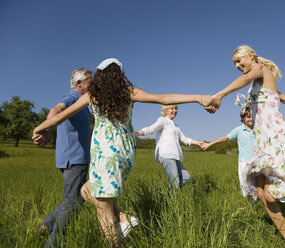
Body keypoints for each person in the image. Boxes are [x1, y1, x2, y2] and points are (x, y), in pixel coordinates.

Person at [33, 58, 213, 247]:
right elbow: (164, 98)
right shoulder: (129, 93)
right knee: (86, 190)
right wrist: (198, 97)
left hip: (105, 155)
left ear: (99, 76)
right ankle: (125, 219)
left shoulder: (92, 96)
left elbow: (60, 116)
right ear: (120, 75)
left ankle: (118, 233)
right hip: (125, 153)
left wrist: (39, 129)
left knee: (104, 214)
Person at [205, 45, 285, 241]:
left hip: (274, 138)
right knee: (262, 195)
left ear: (251, 56)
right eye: (234, 63)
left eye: (239, 60)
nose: (237, 65)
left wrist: (219, 95)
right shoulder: (260, 83)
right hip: (261, 142)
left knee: (271, 196)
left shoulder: (260, 69)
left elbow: (244, 79)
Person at [32, 68, 92, 247]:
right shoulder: (73, 98)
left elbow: (92, 118)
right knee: (73, 202)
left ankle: (44, 227)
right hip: (75, 158)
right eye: (90, 80)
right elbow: (56, 109)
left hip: (72, 158)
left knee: (77, 198)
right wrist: (48, 129)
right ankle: (52, 243)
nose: (93, 83)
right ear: (79, 84)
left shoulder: (83, 104)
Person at [135, 104, 203, 191]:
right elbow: (151, 129)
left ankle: (169, 194)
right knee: (175, 181)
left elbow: (184, 139)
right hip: (166, 154)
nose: (175, 110)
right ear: (166, 111)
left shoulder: (176, 126)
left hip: (176, 156)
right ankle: (173, 201)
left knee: (186, 177)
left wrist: (199, 143)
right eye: (172, 108)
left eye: (176, 109)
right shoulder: (163, 120)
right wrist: (137, 133)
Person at [201, 107, 256, 200]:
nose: (250, 119)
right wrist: (210, 144)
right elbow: (225, 138)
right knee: (244, 184)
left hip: (256, 161)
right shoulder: (239, 130)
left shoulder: (258, 129)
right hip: (244, 162)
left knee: (256, 184)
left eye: (252, 116)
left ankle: (256, 203)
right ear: (243, 118)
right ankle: (245, 202)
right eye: (248, 117)